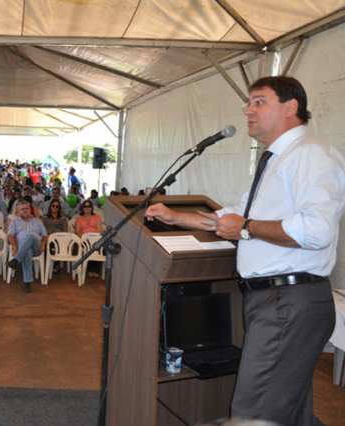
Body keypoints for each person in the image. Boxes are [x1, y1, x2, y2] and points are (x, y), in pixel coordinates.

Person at [145, 76, 345, 426]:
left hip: (287, 301)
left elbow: (316, 230)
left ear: (290, 107)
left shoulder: (309, 155)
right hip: (277, 301)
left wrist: (247, 228)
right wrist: (177, 217)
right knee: (288, 414)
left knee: (254, 414)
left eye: (258, 102)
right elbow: (234, 217)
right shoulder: (277, 159)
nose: (247, 111)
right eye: (248, 103)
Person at [7, 200, 48, 293]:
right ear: (18, 210)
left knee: (30, 236)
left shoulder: (37, 221)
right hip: (22, 247)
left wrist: (43, 243)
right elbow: (11, 236)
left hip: (37, 246)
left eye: (27, 208)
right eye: (22, 209)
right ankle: (27, 283)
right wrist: (15, 247)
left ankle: (16, 260)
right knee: (27, 251)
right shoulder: (15, 222)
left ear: (30, 209)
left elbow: (45, 235)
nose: (25, 211)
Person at [74, 200, 103, 277]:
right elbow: (77, 231)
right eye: (85, 206)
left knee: (98, 246)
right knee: (88, 247)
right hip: (84, 239)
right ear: (82, 208)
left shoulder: (97, 217)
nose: (87, 208)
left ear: (91, 208)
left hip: (95, 239)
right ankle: (90, 269)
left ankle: (95, 270)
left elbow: (99, 229)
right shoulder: (79, 219)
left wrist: (92, 238)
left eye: (89, 206)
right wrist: (85, 238)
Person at [42, 199, 68, 275]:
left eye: (57, 206)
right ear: (50, 207)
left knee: (57, 244)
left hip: (59, 238)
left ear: (59, 208)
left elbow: (65, 231)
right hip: (47, 237)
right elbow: (42, 229)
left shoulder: (63, 219)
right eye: (53, 206)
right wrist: (47, 235)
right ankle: (50, 264)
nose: (55, 207)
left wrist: (56, 235)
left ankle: (54, 265)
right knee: (48, 243)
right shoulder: (45, 218)